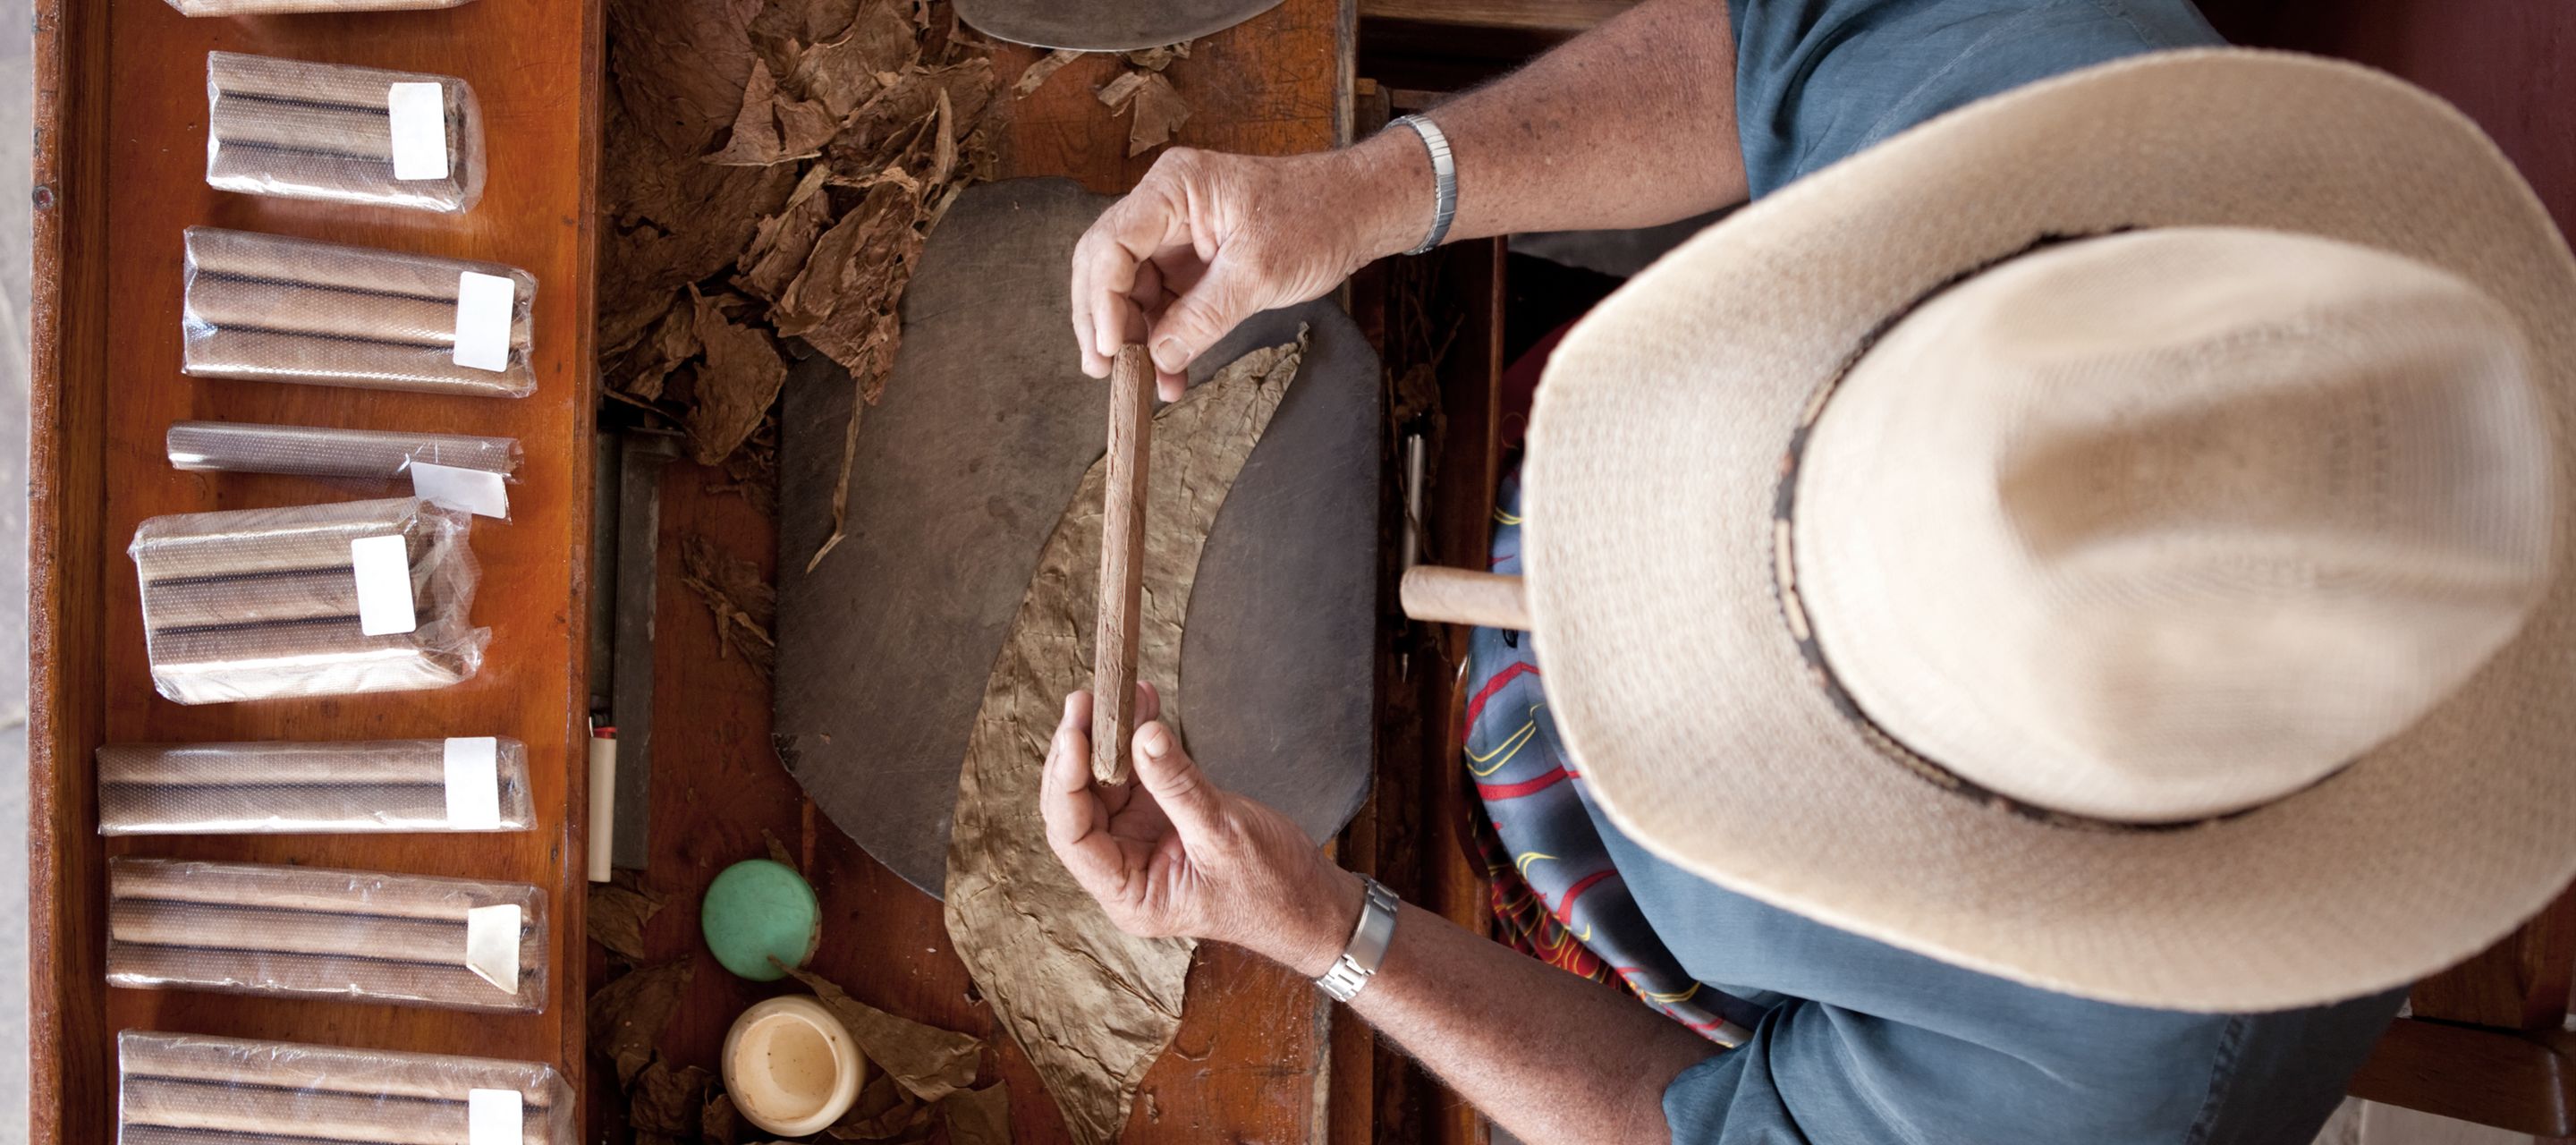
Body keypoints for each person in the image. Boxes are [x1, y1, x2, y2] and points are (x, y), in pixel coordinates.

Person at [1042, 2, 2576, 1141]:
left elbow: (1694, 1125)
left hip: (1645, 945)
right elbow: (1779, 39)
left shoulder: (2117, 1085)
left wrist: (1327, 927)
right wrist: (1371, 191)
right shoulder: (2130, 197)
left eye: (1793, 672)